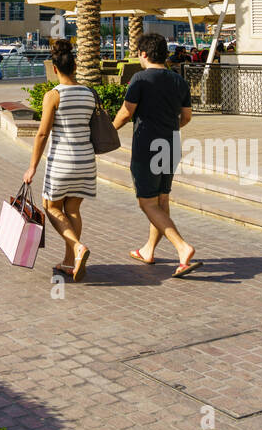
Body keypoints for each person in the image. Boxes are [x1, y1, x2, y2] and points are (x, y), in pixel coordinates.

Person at [113, 31, 202, 278]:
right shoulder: (178, 80)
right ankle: (148, 250)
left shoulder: (140, 79)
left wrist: (108, 132)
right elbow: (186, 117)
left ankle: (182, 248)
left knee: (147, 203)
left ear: (143, 54)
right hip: (171, 144)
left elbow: (126, 113)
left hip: (147, 147)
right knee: (161, 201)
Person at [20, 39, 95, 283]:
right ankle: (69, 262)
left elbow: (42, 133)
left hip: (62, 161)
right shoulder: (89, 93)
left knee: (51, 207)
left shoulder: (53, 95)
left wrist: (32, 166)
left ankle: (77, 247)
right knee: (72, 209)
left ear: (54, 69)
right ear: (75, 67)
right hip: (86, 160)